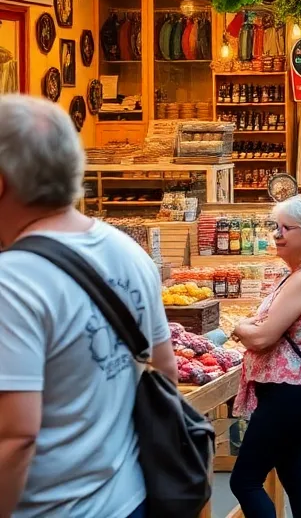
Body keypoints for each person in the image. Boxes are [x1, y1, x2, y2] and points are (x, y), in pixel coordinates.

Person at [0, 96, 175, 518]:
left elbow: (15, 436)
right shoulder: (126, 249)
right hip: (127, 497)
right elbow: (164, 370)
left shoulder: (13, 281)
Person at [230, 194, 301, 518]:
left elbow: (262, 336)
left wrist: (239, 326)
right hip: (296, 393)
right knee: (294, 476)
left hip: (288, 394)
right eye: (275, 226)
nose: (277, 234)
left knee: (245, 481)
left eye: (287, 228)